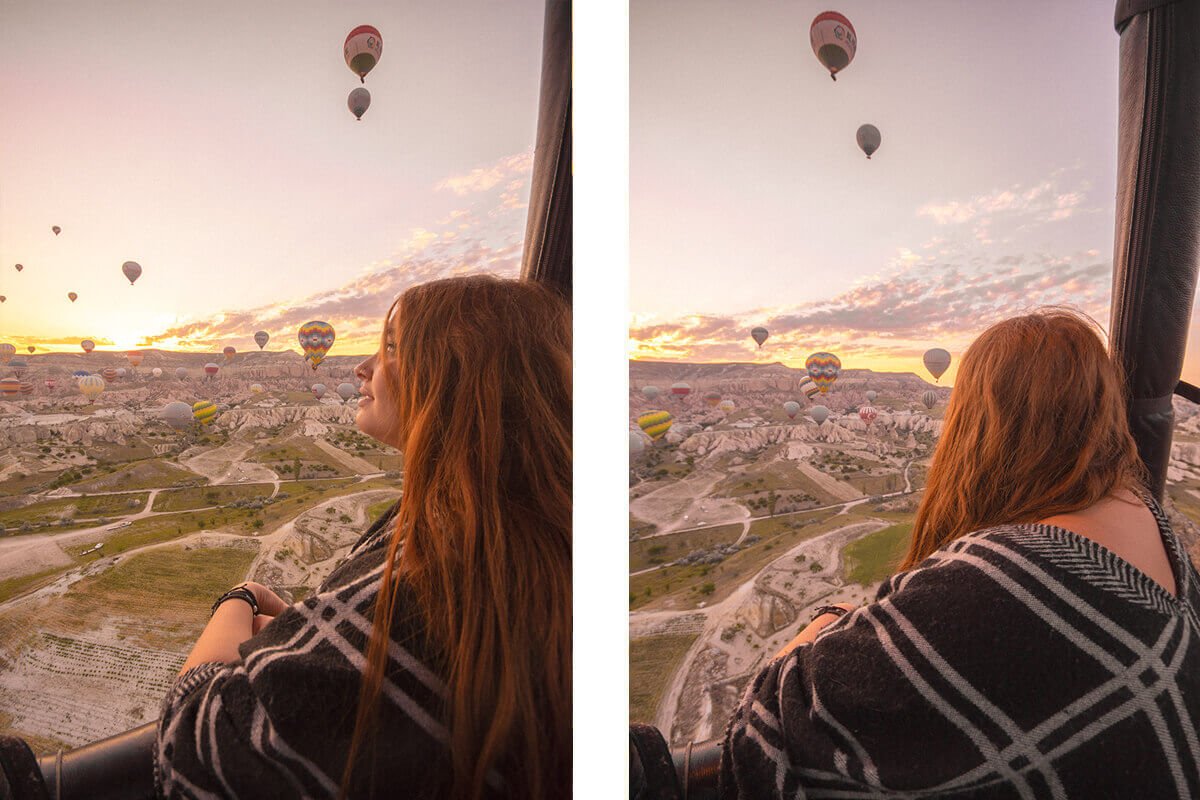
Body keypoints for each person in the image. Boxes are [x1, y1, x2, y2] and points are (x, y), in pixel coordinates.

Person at [721, 309, 1200, 798]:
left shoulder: (992, 586)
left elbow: (765, 726)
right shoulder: (1153, 523)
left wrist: (827, 618)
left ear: (978, 419)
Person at [155, 275, 572, 799]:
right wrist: (319, 640)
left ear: (457, 375)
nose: (362, 367)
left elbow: (190, 737)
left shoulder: (437, 563)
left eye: (392, 347)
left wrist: (238, 602)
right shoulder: (519, 531)